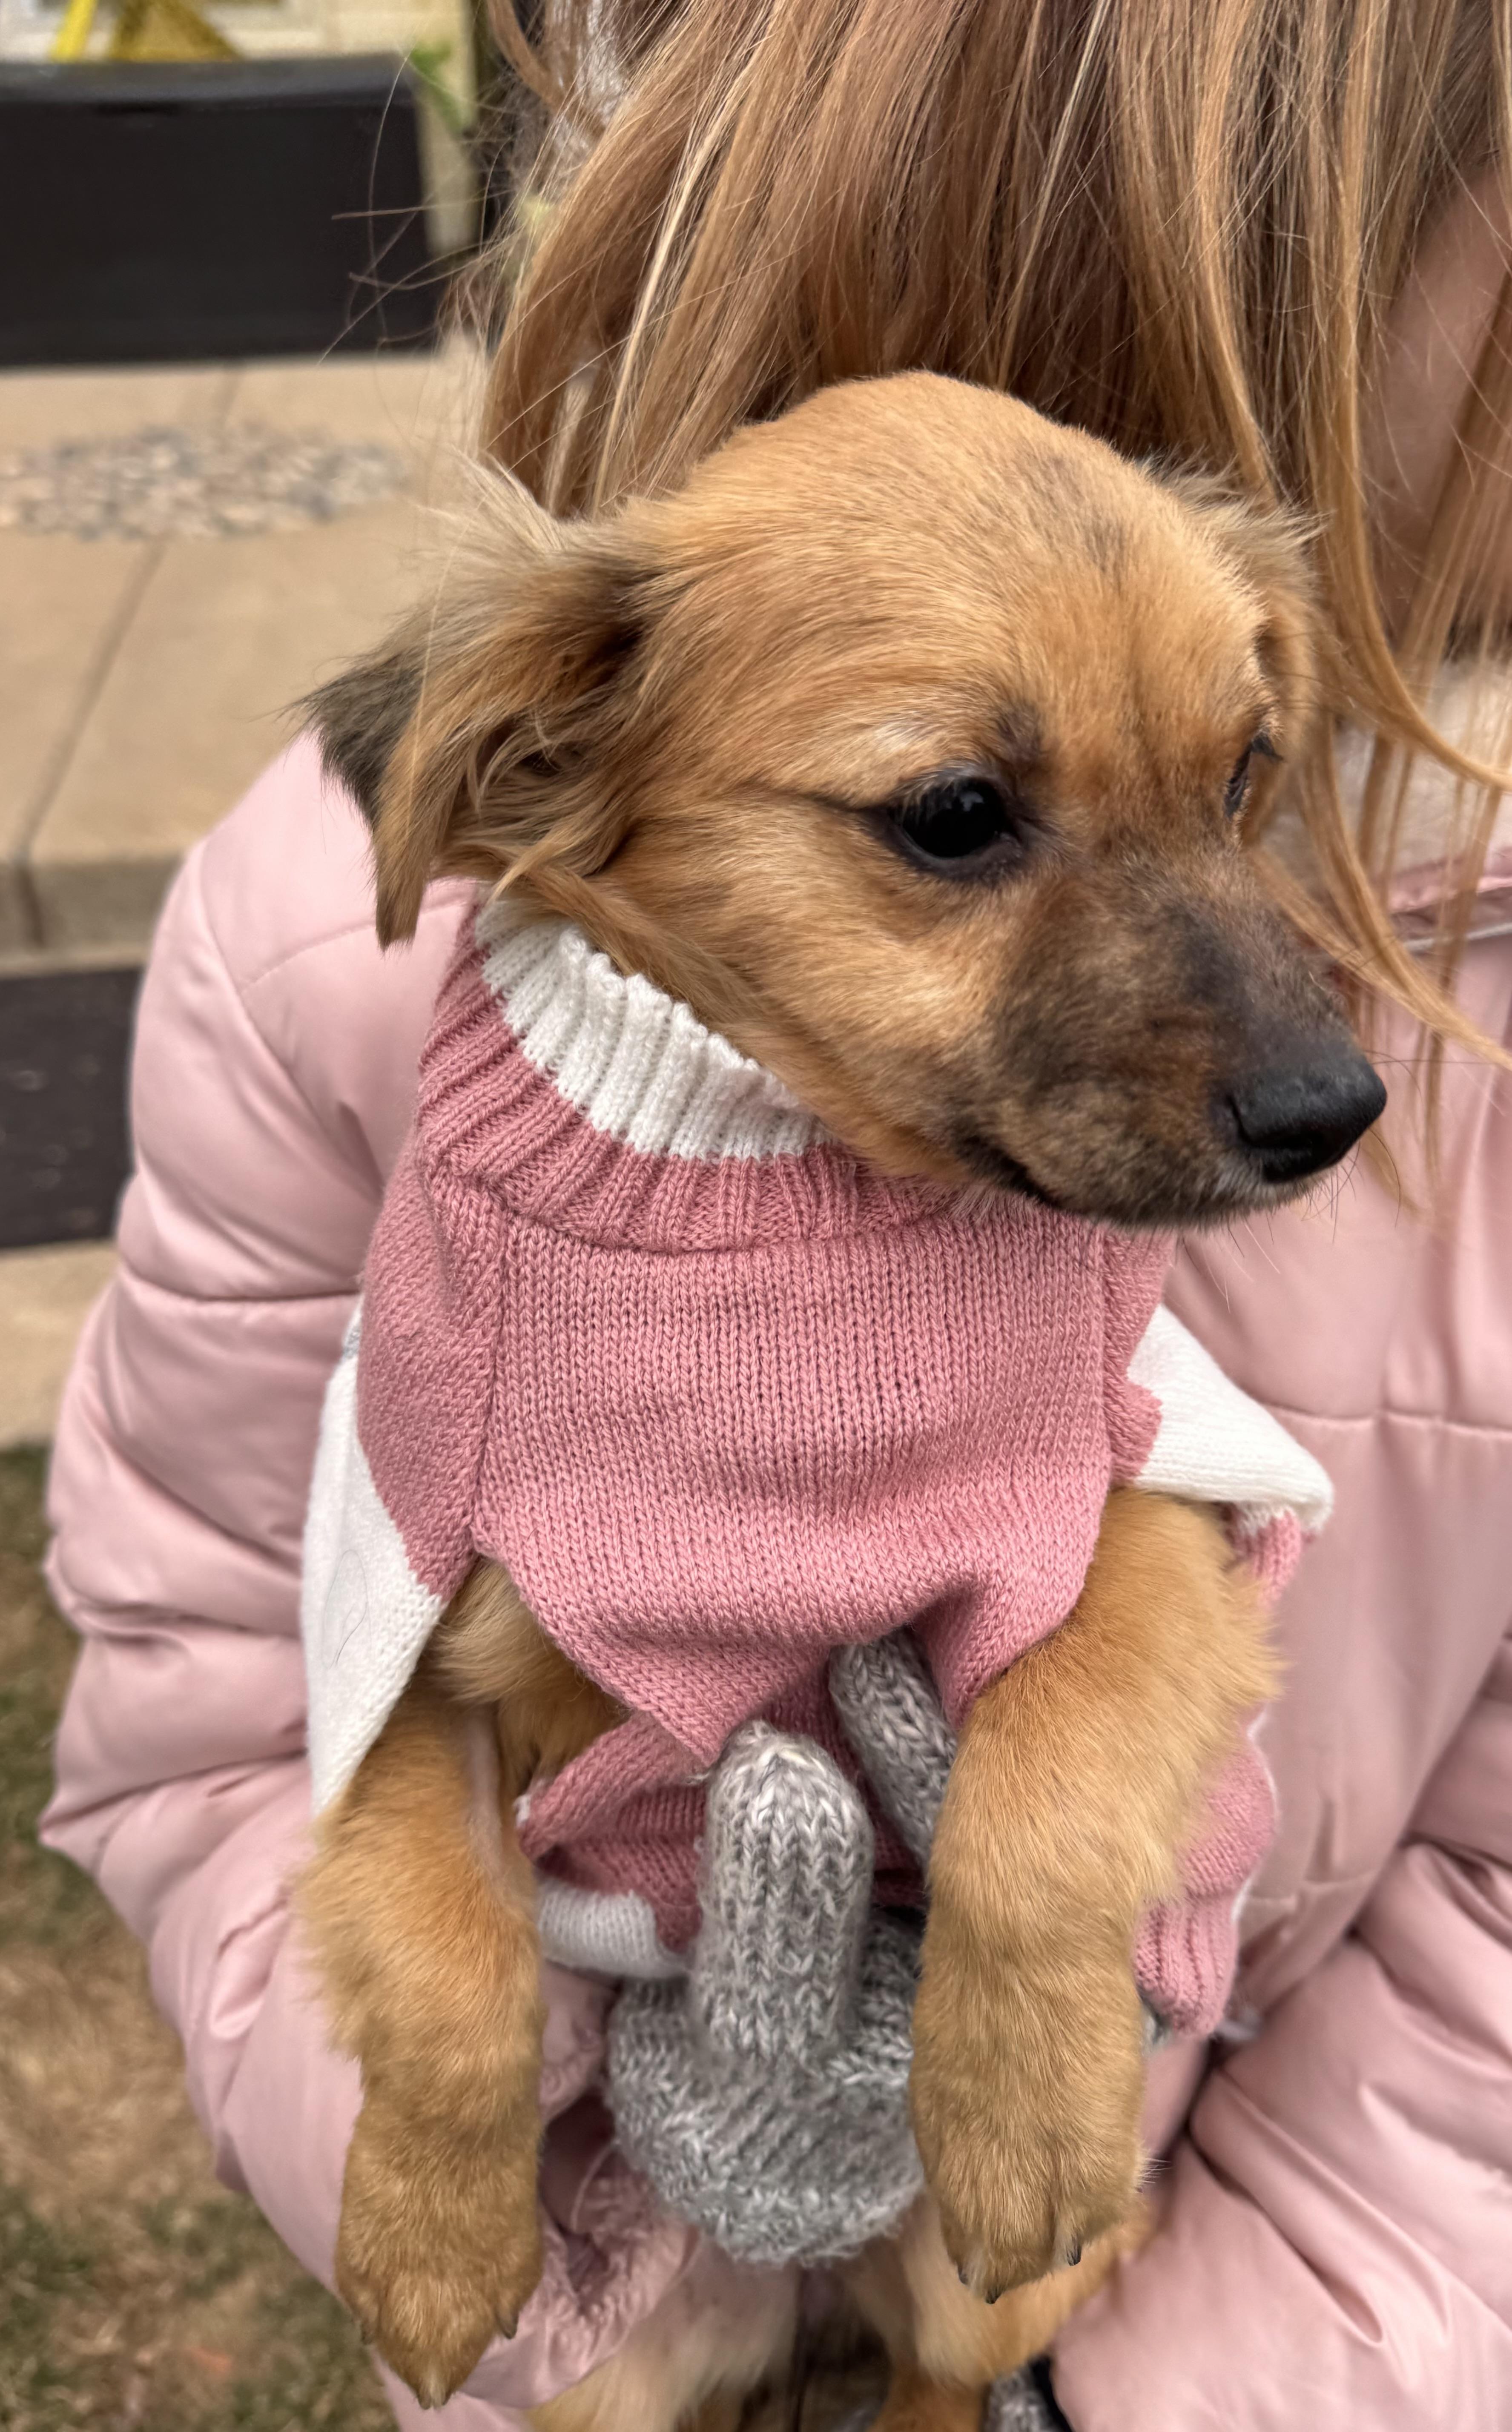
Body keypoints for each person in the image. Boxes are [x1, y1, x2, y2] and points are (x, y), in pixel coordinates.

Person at [40, 4, 1512, 2425]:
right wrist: (503, 2194)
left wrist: (1042, 2087)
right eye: (956, 821)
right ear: (528, 780)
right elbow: (273, 1704)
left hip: (1132, 2310)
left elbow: (1256, 1666)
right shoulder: (370, 994)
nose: (1288, 1059)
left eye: (1239, 773)